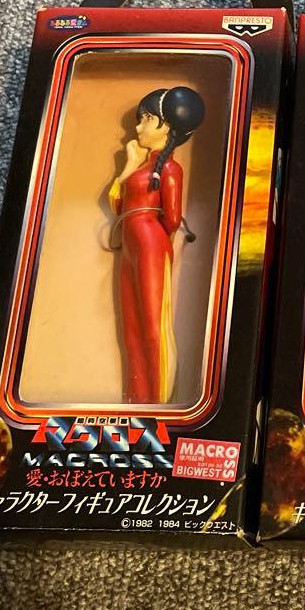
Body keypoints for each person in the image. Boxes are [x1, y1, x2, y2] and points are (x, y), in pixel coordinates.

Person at [107, 86, 205, 403]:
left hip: (150, 244)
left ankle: (161, 400)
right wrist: (130, 164)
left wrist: (152, 237)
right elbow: (117, 203)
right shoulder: (143, 166)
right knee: (131, 327)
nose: (138, 128)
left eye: (146, 120)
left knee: (153, 324)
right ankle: (137, 400)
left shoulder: (170, 169)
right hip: (131, 245)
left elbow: (172, 219)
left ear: (165, 126)